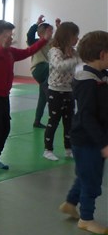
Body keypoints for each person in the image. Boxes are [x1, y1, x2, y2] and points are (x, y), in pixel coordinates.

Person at [0, 19, 52, 175]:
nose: (10, 38)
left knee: (5, 128)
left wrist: (44, 40)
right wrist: (2, 46)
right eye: (6, 36)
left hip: (4, 96)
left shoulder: (10, 52)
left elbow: (28, 52)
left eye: (11, 35)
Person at [59, 31, 108, 235]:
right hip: (88, 140)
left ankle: (70, 203)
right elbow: (87, 117)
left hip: (94, 137)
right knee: (92, 181)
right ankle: (86, 219)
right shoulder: (88, 81)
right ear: (103, 55)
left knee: (85, 174)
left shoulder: (101, 75)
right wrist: (103, 143)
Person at [43, 21, 80, 161]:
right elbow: (59, 66)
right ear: (67, 37)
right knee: (53, 121)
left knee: (69, 121)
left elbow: (80, 61)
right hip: (55, 91)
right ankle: (48, 149)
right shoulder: (55, 51)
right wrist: (76, 60)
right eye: (75, 36)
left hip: (69, 90)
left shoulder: (73, 52)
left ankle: (68, 148)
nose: (77, 39)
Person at [26, 15, 56, 128]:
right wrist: (37, 23)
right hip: (38, 69)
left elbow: (62, 40)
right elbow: (29, 35)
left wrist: (59, 26)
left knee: (42, 98)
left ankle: (37, 121)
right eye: (48, 32)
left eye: (51, 32)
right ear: (40, 34)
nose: (51, 34)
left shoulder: (51, 43)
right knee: (53, 67)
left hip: (46, 72)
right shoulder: (35, 42)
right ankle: (46, 87)